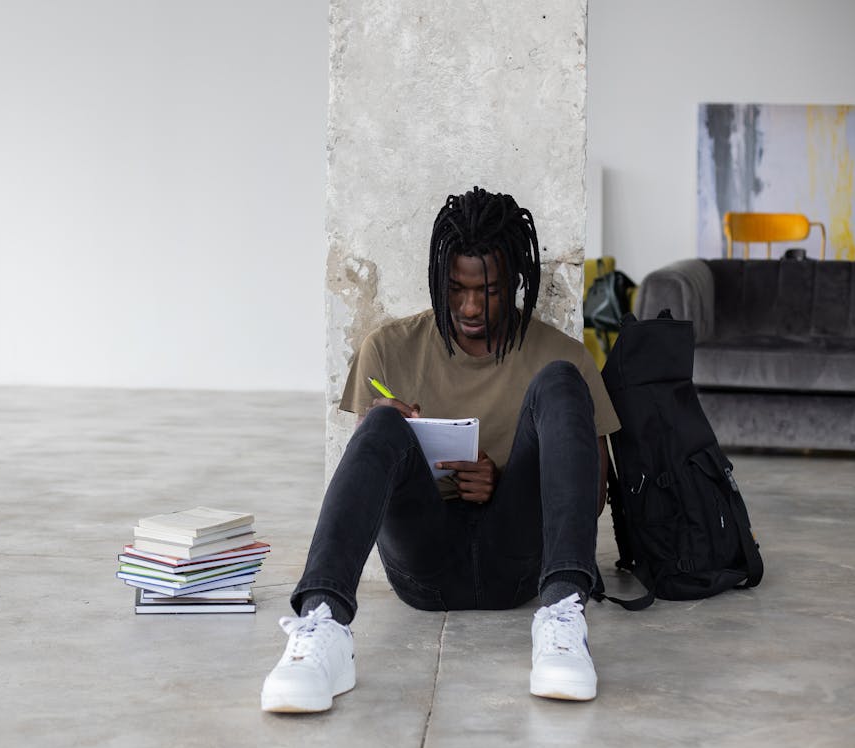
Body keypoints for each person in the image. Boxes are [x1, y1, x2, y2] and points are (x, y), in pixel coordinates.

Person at [260, 187, 620, 712]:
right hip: (423, 564)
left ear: (516, 281)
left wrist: (504, 481)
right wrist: (403, 442)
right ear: (438, 280)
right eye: (455, 289)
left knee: (561, 381)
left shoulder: (558, 353)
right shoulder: (390, 348)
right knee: (382, 422)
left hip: (517, 561)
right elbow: (367, 487)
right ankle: (322, 630)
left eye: (490, 290)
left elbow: (593, 497)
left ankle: (564, 616)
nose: (471, 306)